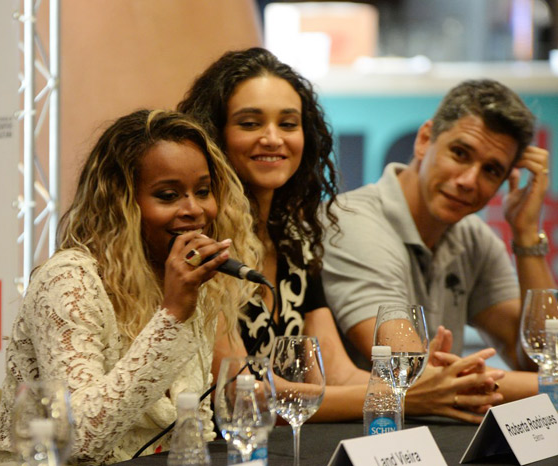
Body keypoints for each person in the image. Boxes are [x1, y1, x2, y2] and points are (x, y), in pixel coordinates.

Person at [178, 47, 506, 423]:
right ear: (215, 134)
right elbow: (240, 394)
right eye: (250, 123)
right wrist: (406, 397)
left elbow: (336, 374)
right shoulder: (201, 240)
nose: (272, 138)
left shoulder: (295, 240)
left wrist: (421, 385)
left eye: (287, 124)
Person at [0, 109, 261, 465]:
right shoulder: (68, 281)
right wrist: (173, 314)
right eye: (168, 195)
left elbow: (196, 425)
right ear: (121, 204)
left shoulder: (186, 278)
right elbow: (79, 439)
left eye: (204, 191)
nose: (194, 209)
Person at [322, 79, 547, 399]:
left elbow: (541, 356)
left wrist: (526, 234)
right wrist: (551, 387)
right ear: (425, 139)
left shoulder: (474, 238)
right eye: (460, 153)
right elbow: (408, 371)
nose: (469, 181)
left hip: (433, 436)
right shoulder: (351, 221)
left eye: (491, 171)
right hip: (357, 439)